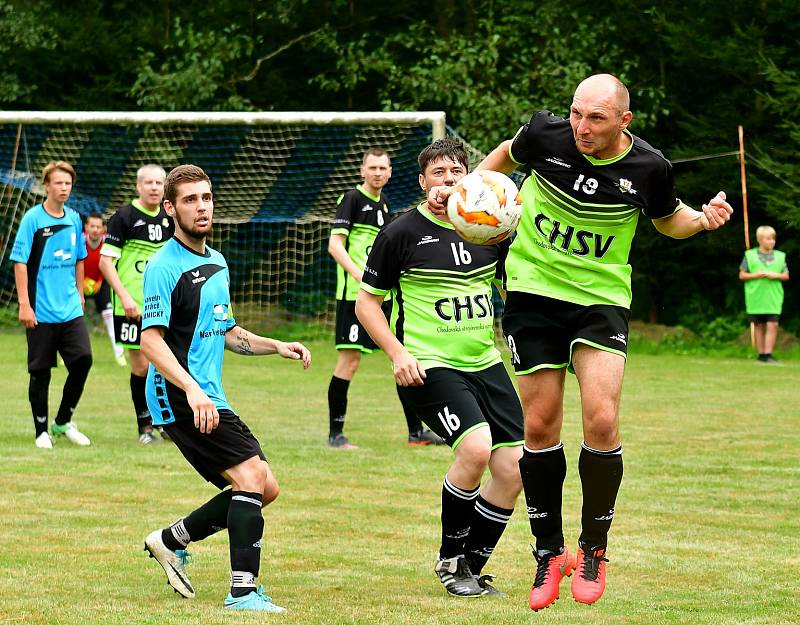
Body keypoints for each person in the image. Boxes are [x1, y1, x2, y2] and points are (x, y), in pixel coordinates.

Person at [427, 74, 733, 609]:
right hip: (532, 294)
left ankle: (593, 548)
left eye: (595, 119)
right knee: (540, 425)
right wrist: (469, 192)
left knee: (602, 419)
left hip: (599, 301)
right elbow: (504, 153)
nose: (581, 127)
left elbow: (668, 221)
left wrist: (702, 222)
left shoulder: (649, 168)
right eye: (576, 114)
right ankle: (549, 553)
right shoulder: (546, 135)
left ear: (623, 121)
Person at [356, 138, 524, 597]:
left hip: (485, 363)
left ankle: (471, 564)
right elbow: (367, 305)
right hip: (429, 365)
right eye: (439, 173)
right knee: (475, 449)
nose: (448, 181)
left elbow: (513, 290)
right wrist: (397, 353)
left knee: (513, 468)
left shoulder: (491, 229)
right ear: (423, 181)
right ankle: (450, 559)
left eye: (456, 172)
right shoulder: (401, 232)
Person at [140, 164, 311, 613]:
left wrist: (276, 345)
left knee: (263, 487)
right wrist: (192, 390)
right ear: (170, 208)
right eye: (191, 200)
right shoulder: (163, 267)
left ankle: (170, 539)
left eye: (207, 198)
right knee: (252, 478)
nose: (202, 207)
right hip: (179, 395)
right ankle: (242, 592)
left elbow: (228, 332)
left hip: (209, 394)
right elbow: (151, 340)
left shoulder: (217, 262)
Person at [327, 147, 443, 448]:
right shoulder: (352, 199)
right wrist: (360, 275)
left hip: (383, 297)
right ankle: (335, 435)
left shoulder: (386, 205)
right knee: (349, 362)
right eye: (373, 168)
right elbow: (335, 246)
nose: (378, 173)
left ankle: (416, 433)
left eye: (383, 168)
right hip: (355, 297)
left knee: (403, 357)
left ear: (390, 172)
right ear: (362, 171)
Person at [10, 160, 92, 448]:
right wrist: (24, 304)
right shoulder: (33, 219)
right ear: (47, 186)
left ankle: (62, 421)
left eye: (68, 183)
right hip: (40, 310)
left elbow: (80, 258)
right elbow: (19, 263)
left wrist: (80, 293)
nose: (64, 188)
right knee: (41, 371)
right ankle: (41, 430)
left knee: (83, 360)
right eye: (58, 183)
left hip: (69, 308)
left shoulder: (74, 218)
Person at [100, 164, 174, 444]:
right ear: (138, 186)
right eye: (149, 183)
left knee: (164, 366)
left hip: (162, 305)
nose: (154, 187)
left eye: (159, 182)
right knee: (141, 367)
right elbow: (106, 262)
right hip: (131, 306)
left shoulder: (169, 218)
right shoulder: (124, 217)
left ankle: (164, 422)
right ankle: (144, 427)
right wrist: (125, 297)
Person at [739, 225, 789, 362]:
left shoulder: (780, 256)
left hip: (773, 297)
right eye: (768, 238)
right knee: (759, 325)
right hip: (755, 297)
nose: (772, 241)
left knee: (773, 324)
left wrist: (775, 275)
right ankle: (761, 355)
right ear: (760, 240)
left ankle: (768, 354)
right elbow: (742, 275)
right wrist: (756, 275)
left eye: (773, 238)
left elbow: (786, 276)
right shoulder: (749, 256)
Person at [83, 212, 126, 366]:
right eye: (92, 226)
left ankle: (119, 355)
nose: (95, 229)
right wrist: (81, 281)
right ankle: (66, 354)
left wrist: (100, 281)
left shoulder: (108, 242)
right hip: (80, 282)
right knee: (72, 319)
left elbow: (111, 265)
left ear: (103, 229)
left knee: (110, 318)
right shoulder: (79, 241)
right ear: (86, 227)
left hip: (102, 283)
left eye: (98, 226)